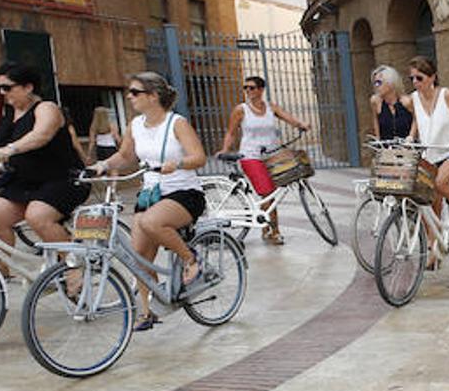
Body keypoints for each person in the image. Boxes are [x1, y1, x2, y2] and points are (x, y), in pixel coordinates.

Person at [90, 72, 208, 331]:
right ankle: (146, 312)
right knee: (138, 255)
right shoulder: (135, 125)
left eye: (135, 92)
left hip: (183, 193)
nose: (129, 96)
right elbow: (125, 156)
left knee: (151, 221)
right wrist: (102, 165)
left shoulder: (177, 123)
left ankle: (191, 260)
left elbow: (199, 157)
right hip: (151, 194)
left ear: (153, 96)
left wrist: (177, 163)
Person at [0, 63, 90, 268]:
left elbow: (40, 135)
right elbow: (1, 139)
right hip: (27, 181)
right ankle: (2, 272)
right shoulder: (9, 113)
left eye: (7, 87)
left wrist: (10, 150)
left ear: (28, 87)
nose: (2, 92)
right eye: (0, 87)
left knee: (37, 216)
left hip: (63, 179)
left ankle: (74, 267)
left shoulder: (47, 109)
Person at [220, 75, 309, 245]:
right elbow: (231, 132)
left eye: (251, 88)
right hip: (250, 156)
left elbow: (288, 117)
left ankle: (265, 228)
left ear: (261, 90)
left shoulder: (271, 107)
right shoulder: (241, 109)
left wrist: (301, 124)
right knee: (267, 192)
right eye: (245, 88)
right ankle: (274, 232)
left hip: (271, 156)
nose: (247, 91)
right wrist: (225, 149)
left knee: (272, 193)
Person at [404, 55, 449, 239]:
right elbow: (418, 119)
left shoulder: (447, 95)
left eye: (419, 77)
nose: (415, 82)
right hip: (430, 154)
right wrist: (410, 136)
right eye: (411, 78)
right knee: (429, 203)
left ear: (432, 77)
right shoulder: (414, 98)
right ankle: (433, 248)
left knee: (439, 182)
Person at [369, 65, 413, 141]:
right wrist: (378, 142)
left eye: (379, 83)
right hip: (386, 148)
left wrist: (411, 136)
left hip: (407, 147)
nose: (376, 86)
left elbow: (416, 120)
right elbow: (376, 122)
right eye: (375, 83)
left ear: (390, 83)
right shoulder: (376, 102)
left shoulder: (407, 101)